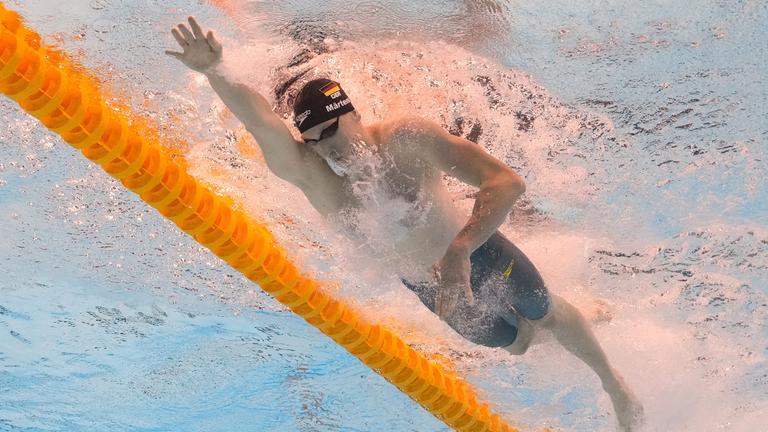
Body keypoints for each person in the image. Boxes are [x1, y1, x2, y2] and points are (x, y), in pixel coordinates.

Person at [165, 17, 644, 431]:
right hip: (436, 292)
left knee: (543, 312)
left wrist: (459, 249)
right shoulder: (323, 183)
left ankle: (616, 386)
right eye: (313, 141)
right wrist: (215, 73)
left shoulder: (406, 141)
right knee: (516, 344)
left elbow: (506, 183)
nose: (327, 147)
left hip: (480, 252)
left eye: (331, 130)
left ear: (351, 113)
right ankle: (561, 326)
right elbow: (263, 125)